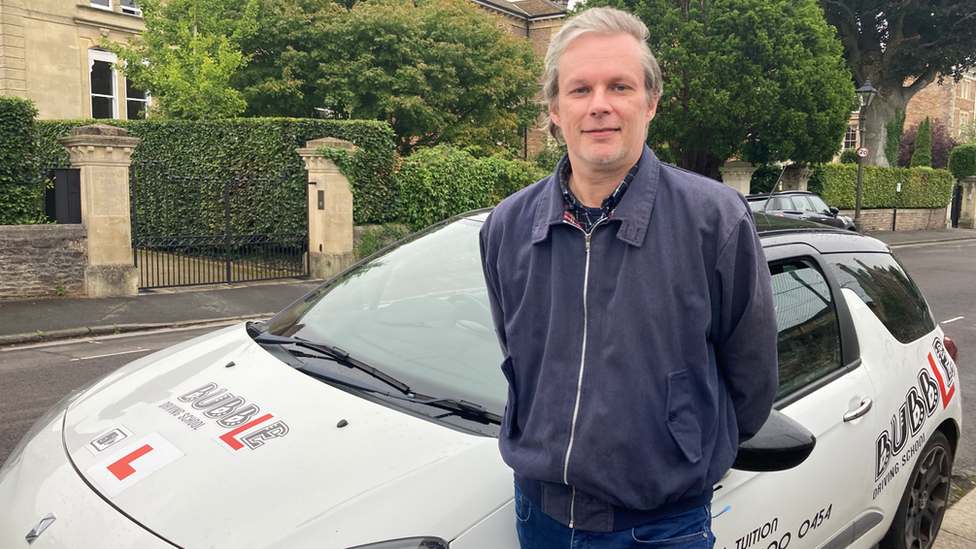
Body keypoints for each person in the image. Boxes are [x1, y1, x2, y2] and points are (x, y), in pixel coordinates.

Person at [478, 6, 779, 548]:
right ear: (554, 109)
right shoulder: (507, 225)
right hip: (538, 514)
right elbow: (518, 355)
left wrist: (682, 453)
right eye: (579, 90)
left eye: (619, 86)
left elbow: (751, 379)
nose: (599, 105)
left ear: (651, 102)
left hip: (661, 524)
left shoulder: (715, 220)